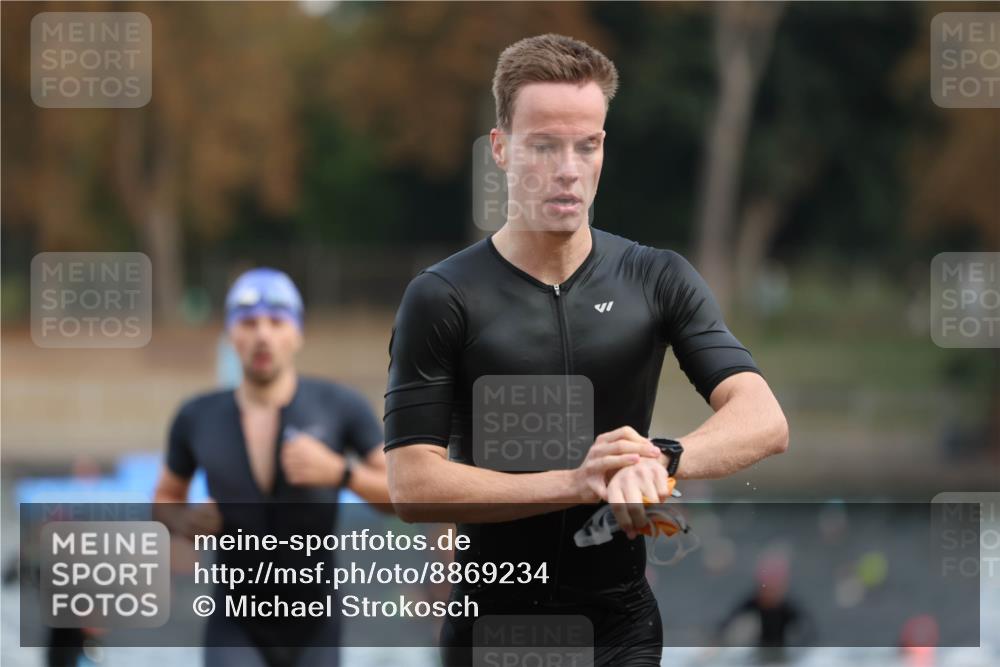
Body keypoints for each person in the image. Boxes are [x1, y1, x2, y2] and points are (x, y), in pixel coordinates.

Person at [384, 34, 789, 666]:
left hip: (620, 628)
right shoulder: (443, 297)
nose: (569, 168)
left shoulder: (657, 277)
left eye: (587, 145)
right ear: (500, 149)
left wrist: (662, 458)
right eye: (544, 146)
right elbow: (412, 485)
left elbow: (764, 419)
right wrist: (575, 482)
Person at [153, 268, 391, 667]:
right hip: (235, 622)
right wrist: (184, 519)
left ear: (297, 333)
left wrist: (340, 473)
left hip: (315, 624)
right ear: (231, 335)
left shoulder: (339, 406)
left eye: (276, 322)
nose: (262, 335)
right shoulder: (198, 417)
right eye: (249, 323)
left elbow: (401, 496)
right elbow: (164, 498)